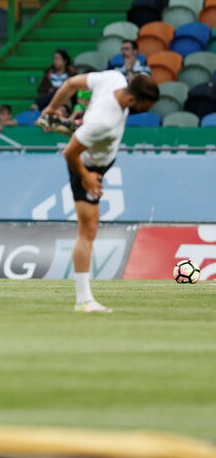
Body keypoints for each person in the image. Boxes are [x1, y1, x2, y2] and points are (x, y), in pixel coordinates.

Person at [42, 72, 159, 313]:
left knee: (89, 230)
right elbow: (69, 154)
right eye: (146, 106)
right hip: (86, 165)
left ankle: (83, 300)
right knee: (88, 230)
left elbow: (71, 83)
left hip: (98, 154)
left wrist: (51, 109)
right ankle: (84, 300)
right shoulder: (103, 121)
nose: (147, 111)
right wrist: (87, 178)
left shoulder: (114, 79)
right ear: (131, 101)